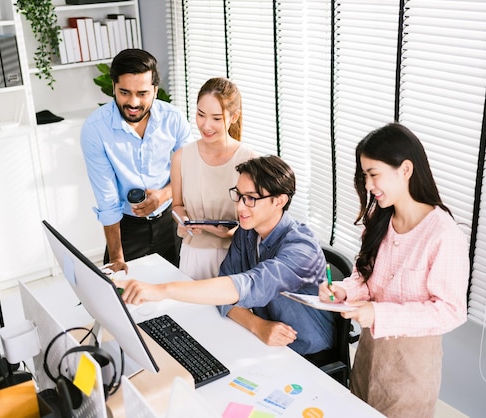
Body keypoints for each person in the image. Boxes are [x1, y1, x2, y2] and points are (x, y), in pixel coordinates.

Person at [319, 123, 469, 417]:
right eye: (365, 175)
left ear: (405, 170)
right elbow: (366, 278)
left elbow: (451, 311)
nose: (368, 185)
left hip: (410, 376)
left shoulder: (443, 234)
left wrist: (378, 313)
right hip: (367, 359)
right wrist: (343, 290)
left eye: (374, 174)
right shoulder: (380, 221)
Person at [120, 155, 335, 357]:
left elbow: (246, 286)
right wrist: (257, 325)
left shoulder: (301, 248)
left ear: (279, 201)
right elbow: (226, 294)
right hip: (267, 343)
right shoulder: (247, 232)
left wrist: (162, 290)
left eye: (251, 198)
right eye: (238, 195)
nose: (240, 206)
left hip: (309, 354)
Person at [80, 49, 193, 272]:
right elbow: (107, 199)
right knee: (119, 295)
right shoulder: (95, 129)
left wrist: (164, 194)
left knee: (179, 292)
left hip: (171, 222)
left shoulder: (173, 119)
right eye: (124, 92)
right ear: (113, 87)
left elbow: (190, 169)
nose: (133, 102)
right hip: (125, 228)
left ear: (155, 90)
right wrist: (116, 257)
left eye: (142, 93)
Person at [171, 77, 257, 280]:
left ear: (234, 117)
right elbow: (177, 205)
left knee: (231, 312)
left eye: (216, 118)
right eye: (201, 115)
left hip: (235, 256)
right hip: (194, 256)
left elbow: (257, 220)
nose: (206, 125)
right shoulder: (182, 157)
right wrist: (183, 219)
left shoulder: (250, 160)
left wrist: (229, 233)